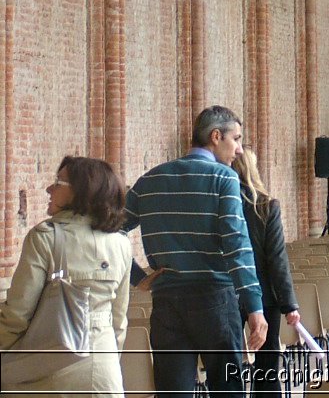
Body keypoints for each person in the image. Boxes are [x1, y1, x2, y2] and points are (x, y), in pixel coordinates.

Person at [125, 105, 266, 396]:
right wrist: (254, 307)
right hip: (214, 299)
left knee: (172, 392)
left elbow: (108, 230)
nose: (239, 149)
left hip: (167, 303)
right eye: (236, 139)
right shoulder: (222, 178)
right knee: (228, 389)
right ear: (216, 136)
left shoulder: (148, 180)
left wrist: (137, 277)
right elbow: (236, 245)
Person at [0, 156, 132, 396]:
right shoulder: (121, 244)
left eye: (57, 183)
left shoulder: (45, 237)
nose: (49, 189)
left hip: (47, 369)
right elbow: (119, 320)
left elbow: (18, 314)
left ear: (81, 192)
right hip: (103, 372)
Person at [232, 148, 300, 396]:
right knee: (267, 365)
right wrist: (289, 303)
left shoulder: (220, 203)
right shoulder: (266, 206)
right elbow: (277, 259)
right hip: (263, 295)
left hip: (226, 291)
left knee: (227, 365)